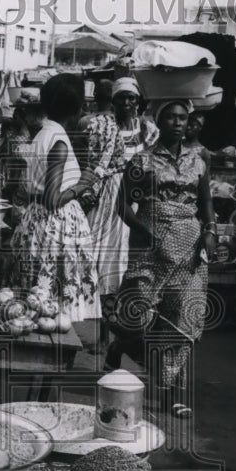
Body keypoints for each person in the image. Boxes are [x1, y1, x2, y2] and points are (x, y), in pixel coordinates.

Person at [109, 98, 217, 419]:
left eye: (183, 118)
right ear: (160, 121)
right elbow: (122, 205)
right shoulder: (142, 161)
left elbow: (206, 201)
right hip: (150, 246)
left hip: (189, 248)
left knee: (181, 321)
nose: (178, 123)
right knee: (138, 316)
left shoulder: (199, 161)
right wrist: (144, 229)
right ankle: (122, 346)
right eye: (170, 118)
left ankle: (172, 392)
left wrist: (211, 231)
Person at [9, 75, 101, 321]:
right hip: (54, 227)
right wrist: (82, 184)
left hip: (36, 221)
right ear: (78, 108)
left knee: (36, 304)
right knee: (53, 308)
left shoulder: (42, 134)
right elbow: (52, 199)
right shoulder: (59, 141)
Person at [83, 77, 159, 347]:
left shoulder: (148, 130)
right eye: (121, 98)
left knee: (127, 265)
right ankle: (102, 332)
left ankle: (121, 333)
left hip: (134, 199)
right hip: (106, 198)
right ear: (112, 101)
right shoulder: (101, 126)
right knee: (100, 261)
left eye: (132, 98)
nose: (127, 103)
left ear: (138, 101)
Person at [0, 92, 45, 227]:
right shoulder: (18, 131)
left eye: (17, 116)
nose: (13, 118)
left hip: (28, 177)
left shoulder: (35, 133)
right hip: (19, 174)